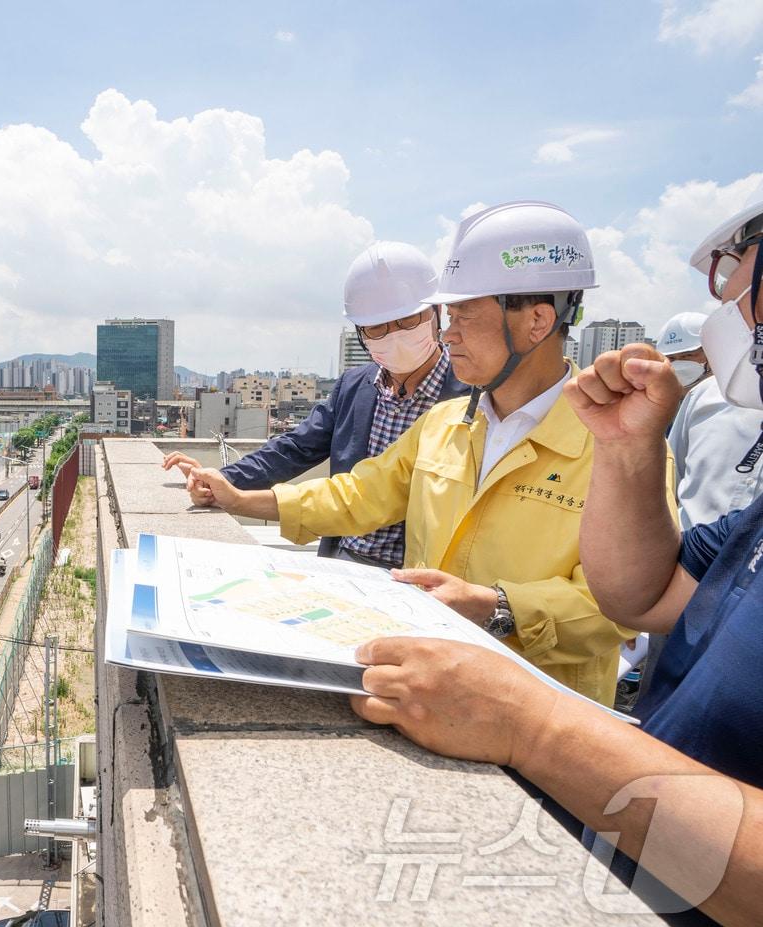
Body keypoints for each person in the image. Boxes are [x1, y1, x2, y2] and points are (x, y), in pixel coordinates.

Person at [343, 197, 763, 927]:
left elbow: (602, 620)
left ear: (535, 320)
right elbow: (645, 594)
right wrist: (629, 449)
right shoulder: (455, 421)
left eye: (740, 282)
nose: (726, 304)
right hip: (618, 859)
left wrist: (529, 721)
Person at [191, 201, 657, 706]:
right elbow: (357, 495)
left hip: (541, 715)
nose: (448, 333)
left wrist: (496, 606)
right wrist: (240, 500)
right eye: (447, 315)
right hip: (427, 693)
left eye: (463, 316)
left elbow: (624, 606)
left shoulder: (617, 449)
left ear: (537, 321)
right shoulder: (447, 423)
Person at [164, 241, 470, 569]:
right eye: (378, 327)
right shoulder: (356, 387)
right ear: (361, 333)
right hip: (344, 560)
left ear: (436, 314)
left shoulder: (472, 394)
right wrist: (220, 480)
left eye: (407, 320)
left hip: (421, 574)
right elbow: (293, 449)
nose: (394, 335)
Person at [657, 311, 763, 530]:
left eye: (687, 356)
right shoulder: (701, 396)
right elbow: (670, 480)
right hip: (687, 550)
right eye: (672, 359)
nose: (677, 365)